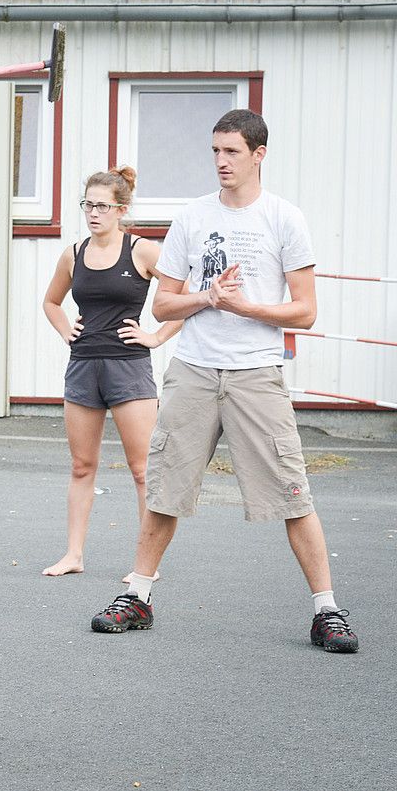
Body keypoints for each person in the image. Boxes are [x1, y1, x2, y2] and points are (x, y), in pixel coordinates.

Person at [90, 109, 359, 654]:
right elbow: (163, 302)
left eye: (231, 151)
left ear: (259, 154)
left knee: (293, 493)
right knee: (164, 488)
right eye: (215, 150)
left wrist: (247, 307)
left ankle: (327, 610)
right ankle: (137, 594)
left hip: (256, 372)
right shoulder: (192, 217)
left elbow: (305, 312)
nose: (220, 161)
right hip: (193, 369)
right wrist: (210, 298)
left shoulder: (285, 219)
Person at [40, 167, 182, 580]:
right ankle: (73, 555)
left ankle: (145, 567)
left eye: (102, 206)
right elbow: (51, 302)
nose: (93, 213)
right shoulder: (74, 252)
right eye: (88, 205)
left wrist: (156, 337)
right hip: (84, 367)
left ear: (121, 209)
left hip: (128, 369)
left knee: (142, 470)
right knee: (82, 466)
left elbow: (184, 298)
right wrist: (67, 330)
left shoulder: (143, 251)